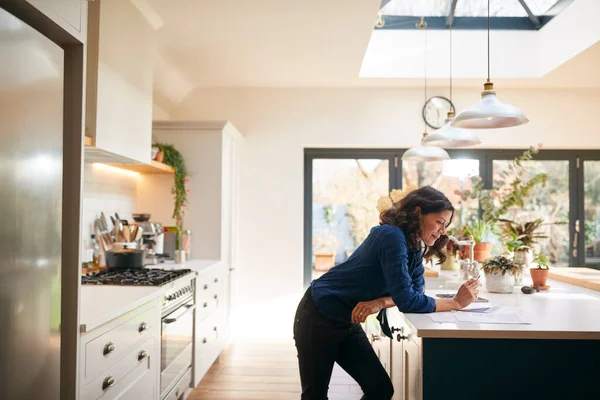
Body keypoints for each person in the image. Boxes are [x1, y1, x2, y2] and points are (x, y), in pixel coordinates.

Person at [293, 186, 479, 400]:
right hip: (318, 314)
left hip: (347, 320)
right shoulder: (390, 235)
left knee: (380, 389)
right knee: (315, 396)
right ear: (418, 212)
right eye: (439, 222)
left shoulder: (414, 245)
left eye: (445, 225)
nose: (443, 231)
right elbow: (409, 300)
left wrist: (381, 301)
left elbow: (415, 293)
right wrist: (455, 303)